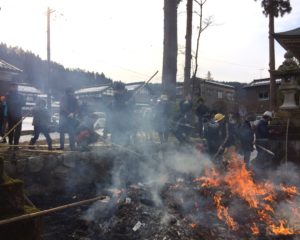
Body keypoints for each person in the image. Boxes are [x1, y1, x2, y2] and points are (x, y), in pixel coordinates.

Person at [6, 83, 25, 148]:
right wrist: (18, 102)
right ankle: (11, 143)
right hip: (11, 115)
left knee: (17, 130)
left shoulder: (20, 95)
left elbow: (23, 103)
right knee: (11, 130)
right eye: (13, 86)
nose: (15, 88)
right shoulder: (8, 95)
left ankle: (15, 144)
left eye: (16, 87)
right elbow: (9, 104)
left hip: (18, 115)